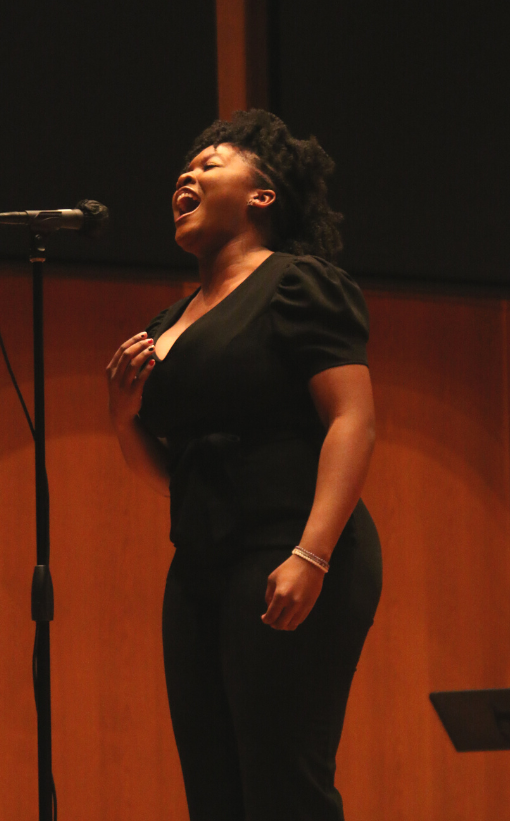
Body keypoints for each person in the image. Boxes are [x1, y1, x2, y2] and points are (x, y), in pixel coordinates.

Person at [105, 110, 381, 820]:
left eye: (210, 164)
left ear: (263, 196)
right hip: (199, 566)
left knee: (284, 787)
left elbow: (353, 419)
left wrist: (312, 554)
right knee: (215, 794)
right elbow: (170, 471)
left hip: (290, 546)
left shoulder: (298, 283)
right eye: (183, 170)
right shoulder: (169, 320)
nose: (186, 175)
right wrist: (121, 411)